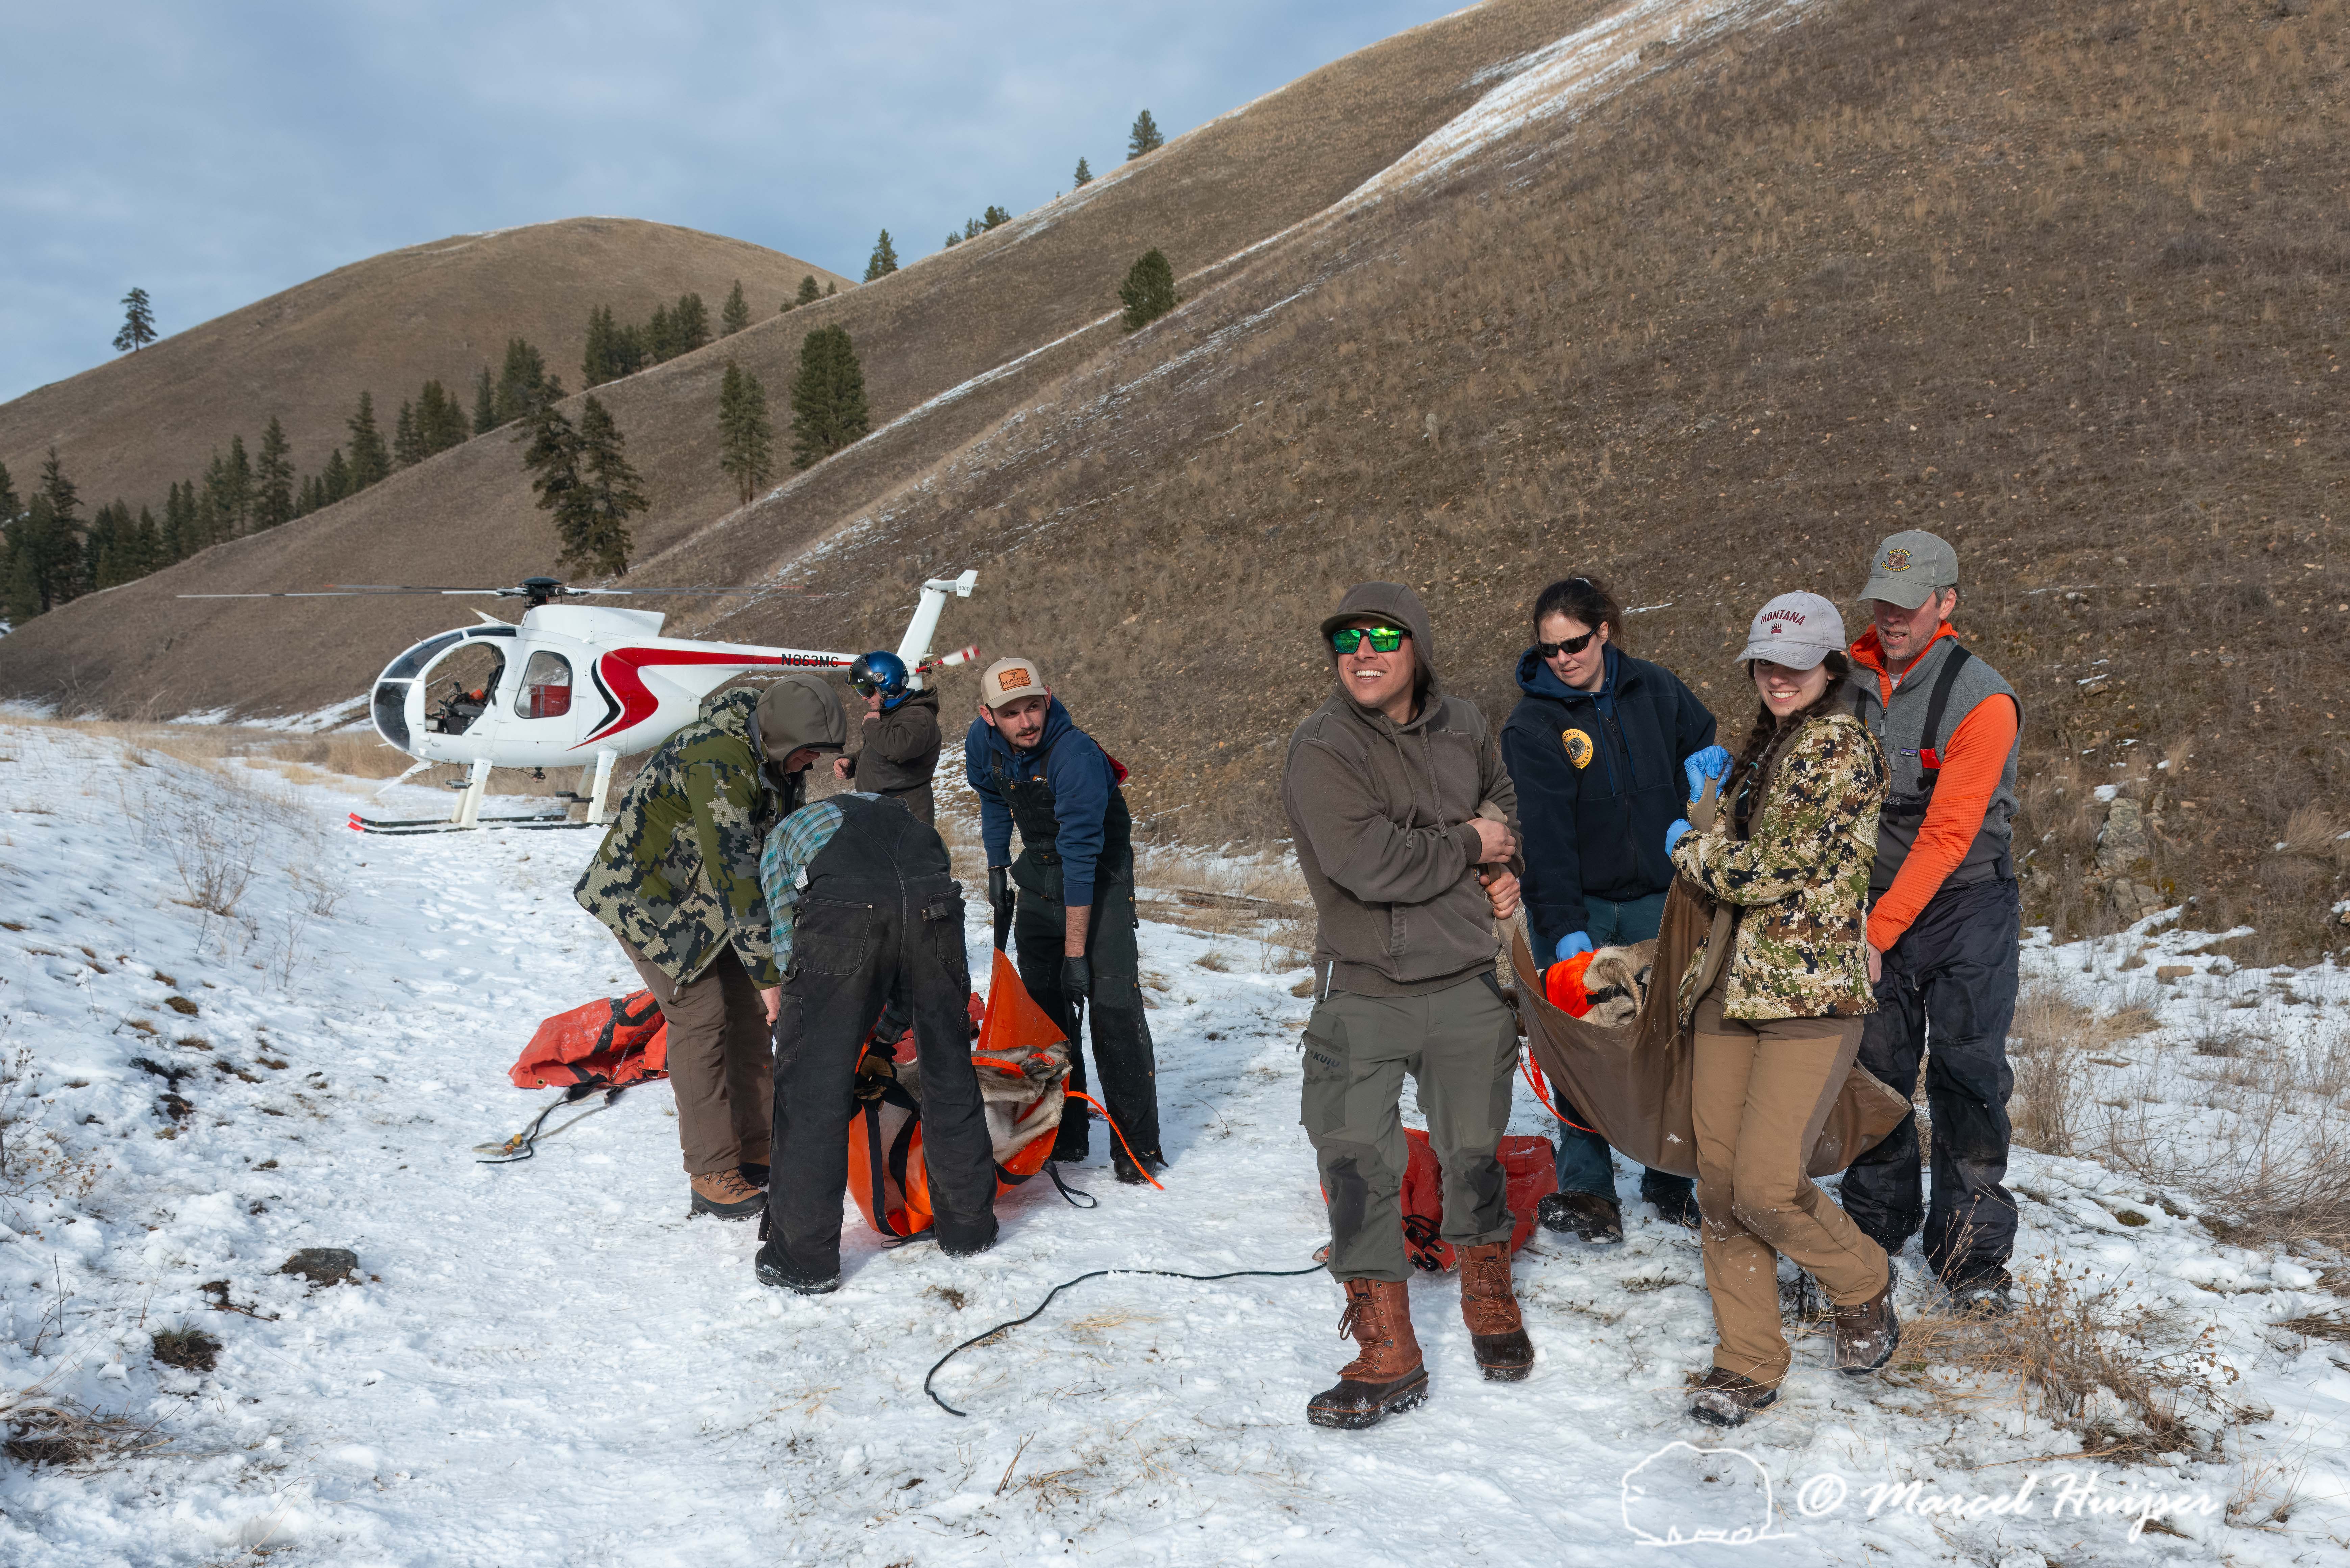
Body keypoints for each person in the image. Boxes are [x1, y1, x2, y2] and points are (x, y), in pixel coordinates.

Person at [1284, 582, 1532, 1431]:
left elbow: (1503, 804)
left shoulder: (1463, 723)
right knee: (1353, 1162)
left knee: (1472, 1153)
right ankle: (1386, 1349)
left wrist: (1505, 862)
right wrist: (1469, 844)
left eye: (1381, 639)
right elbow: (1366, 862)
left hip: (1464, 982)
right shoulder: (1321, 747)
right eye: (1346, 641)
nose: (1362, 653)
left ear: (1415, 647)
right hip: (1364, 990)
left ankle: (1489, 1298)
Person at [1664, 592, 1896, 1427]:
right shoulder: (1770, 748)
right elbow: (1736, 851)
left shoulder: (1838, 746)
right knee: (1721, 1185)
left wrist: (1694, 845)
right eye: (1764, 663)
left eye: (1794, 665)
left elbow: (1767, 870)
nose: (1776, 677)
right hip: (1729, 990)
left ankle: (1861, 1280)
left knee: (1765, 1184)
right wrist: (1709, 811)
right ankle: (1746, 1359)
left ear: (1830, 666)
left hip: (1807, 994)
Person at [1833, 530, 2025, 1315]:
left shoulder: (1981, 698)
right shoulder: (1843, 682)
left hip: (1965, 907)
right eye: (1881, 601)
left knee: (1966, 1077)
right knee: (1873, 1076)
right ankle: (1872, 1231)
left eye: (1908, 605)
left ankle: (1969, 1257)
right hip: (1872, 902)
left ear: (1946, 604)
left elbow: (1948, 835)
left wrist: (1874, 934)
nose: (1891, 617)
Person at [1500, 574, 1723, 1240]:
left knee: (1671, 1039)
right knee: (1581, 1046)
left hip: (1660, 896)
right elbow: (1546, 834)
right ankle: (1590, 1188)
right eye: (1548, 650)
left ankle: (1669, 1173)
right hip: (1581, 905)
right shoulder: (1533, 721)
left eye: (1573, 644)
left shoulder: (1654, 687)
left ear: (1604, 632)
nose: (1562, 659)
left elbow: (1699, 731)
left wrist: (1705, 768)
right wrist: (1565, 927)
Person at [574, 674, 846, 1219]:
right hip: (647, 901)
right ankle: (712, 1172)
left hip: (704, 903)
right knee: (701, 1018)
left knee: (746, 1013)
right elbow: (737, 876)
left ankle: (757, 1146)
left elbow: (778, 850)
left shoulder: (774, 752)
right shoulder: (718, 763)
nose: (811, 765)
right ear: (783, 737)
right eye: (807, 753)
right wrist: (771, 977)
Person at [752, 766, 998, 1293]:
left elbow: (781, 933)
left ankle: (802, 1257)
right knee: (948, 1064)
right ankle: (968, 1226)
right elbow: (910, 939)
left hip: (844, 912)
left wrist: (792, 1011)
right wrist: (884, 1034)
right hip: (935, 904)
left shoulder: (786, 834)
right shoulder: (912, 824)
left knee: (812, 1086)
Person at [965, 657, 1164, 1183]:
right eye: (1011, 713)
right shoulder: (981, 743)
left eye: (1033, 707)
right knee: (1045, 1017)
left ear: (1048, 697)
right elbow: (991, 798)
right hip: (1036, 874)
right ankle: (1064, 1134)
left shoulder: (1074, 755)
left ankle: (1136, 1147)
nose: (1026, 722)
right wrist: (995, 866)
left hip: (1095, 878)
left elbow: (1080, 857)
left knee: (1112, 1009)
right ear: (988, 716)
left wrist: (1076, 954)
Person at [832, 650, 943, 825]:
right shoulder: (891, 713)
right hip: (885, 812)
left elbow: (899, 748)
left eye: (867, 690)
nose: (863, 697)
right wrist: (852, 763)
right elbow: (880, 750)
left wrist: (871, 725)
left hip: (907, 816)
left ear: (886, 686)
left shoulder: (919, 715)